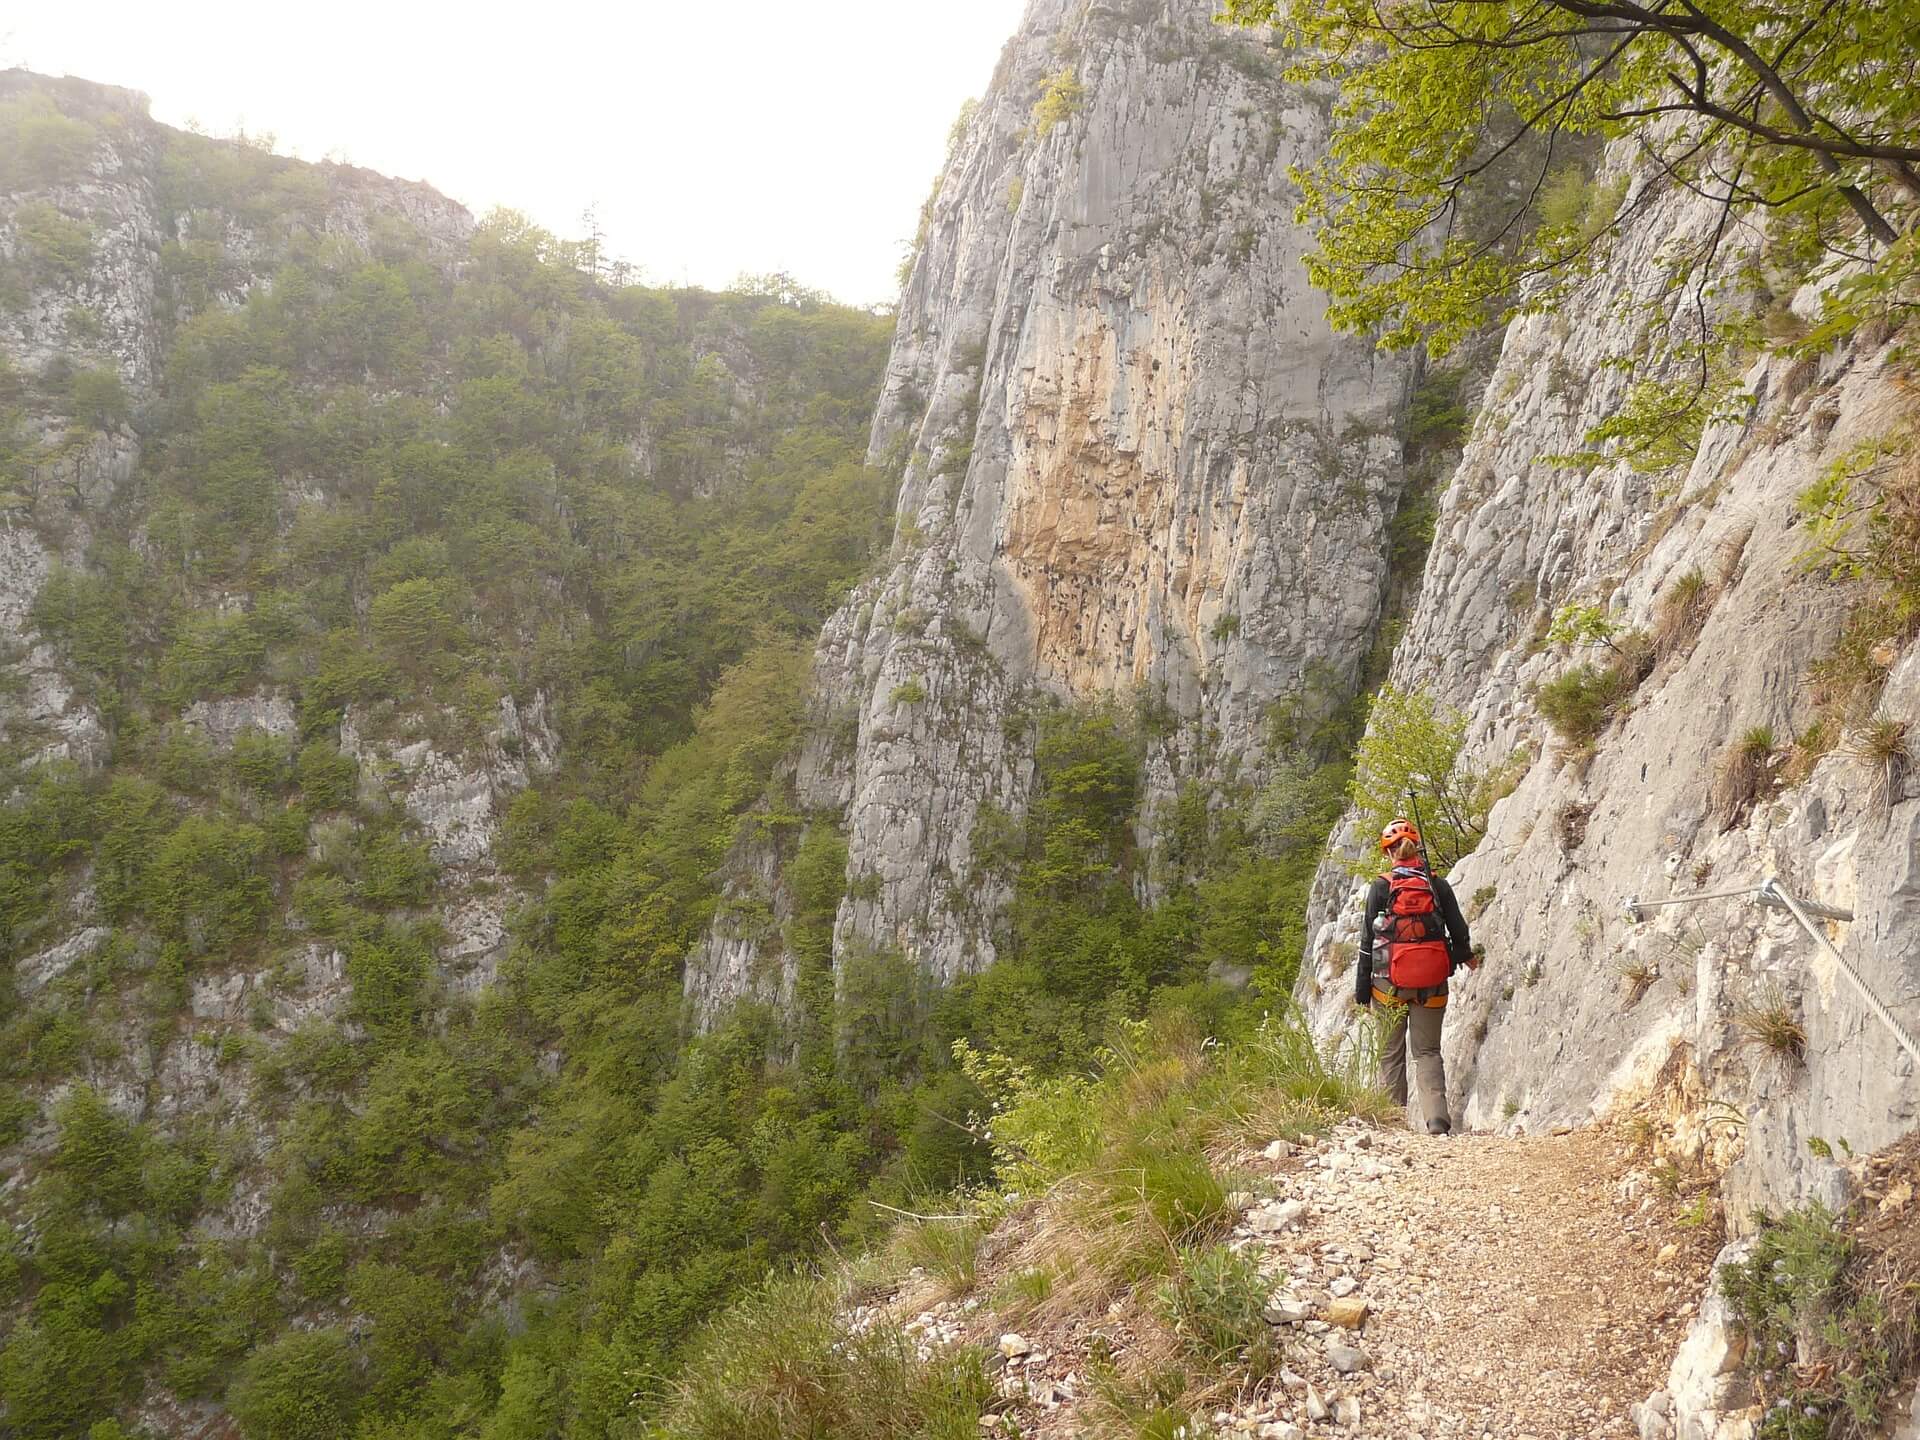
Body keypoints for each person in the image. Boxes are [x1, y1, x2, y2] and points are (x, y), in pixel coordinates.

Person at [1353, 819, 1475, 1134]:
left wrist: (1361, 991)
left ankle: (1393, 1127)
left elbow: (1368, 942)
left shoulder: (1381, 887)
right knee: (1428, 1052)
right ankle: (1437, 1122)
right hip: (1433, 983)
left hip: (1388, 987)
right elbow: (1458, 930)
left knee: (1390, 1054)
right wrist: (1466, 956)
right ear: (1416, 846)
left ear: (1389, 853)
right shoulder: (1437, 884)